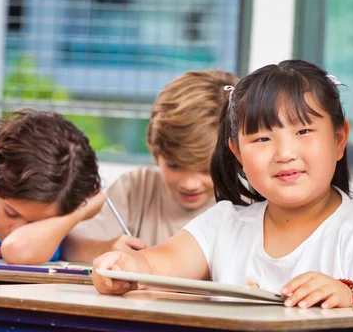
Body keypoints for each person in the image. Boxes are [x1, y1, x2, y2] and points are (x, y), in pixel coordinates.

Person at [92, 60, 353, 332]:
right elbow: (153, 265)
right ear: (237, 153)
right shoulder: (223, 224)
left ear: (338, 138)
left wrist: (348, 302)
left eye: (303, 131)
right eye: (262, 138)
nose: (285, 153)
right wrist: (122, 268)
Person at [62, 70, 238, 263]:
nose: (190, 183)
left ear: (236, 155)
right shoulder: (136, 188)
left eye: (206, 169)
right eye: (174, 166)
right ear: (154, 151)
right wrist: (104, 249)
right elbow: (69, 245)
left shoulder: (249, 202)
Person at [0, 110, 101, 264]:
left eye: (36, 224)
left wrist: (79, 212)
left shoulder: (47, 234)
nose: (18, 230)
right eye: (11, 213)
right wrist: (88, 207)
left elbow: (17, 249)